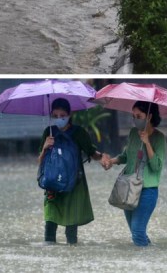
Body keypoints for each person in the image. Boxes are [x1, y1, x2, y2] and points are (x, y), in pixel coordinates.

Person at [39, 98, 105, 245]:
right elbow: (40, 162)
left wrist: (103, 159)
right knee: (50, 227)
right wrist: (44, 147)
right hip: (52, 186)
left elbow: (91, 152)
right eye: (55, 115)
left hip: (74, 185)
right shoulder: (48, 133)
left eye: (62, 115)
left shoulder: (79, 133)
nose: (59, 118)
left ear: (69, 114)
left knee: (71, 234)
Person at [101, 101, 166, 247]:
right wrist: (111, 161)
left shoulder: (159, 138)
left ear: (149, 116)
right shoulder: (132, 133)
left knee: (137, 232)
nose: (135, 119)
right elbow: (126, 156)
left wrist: (147, 143)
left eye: (139, 116)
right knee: (136, 233)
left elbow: (156, 167)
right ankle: (151, 258)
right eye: (133, 116)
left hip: (147, 191)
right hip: (129, 189)